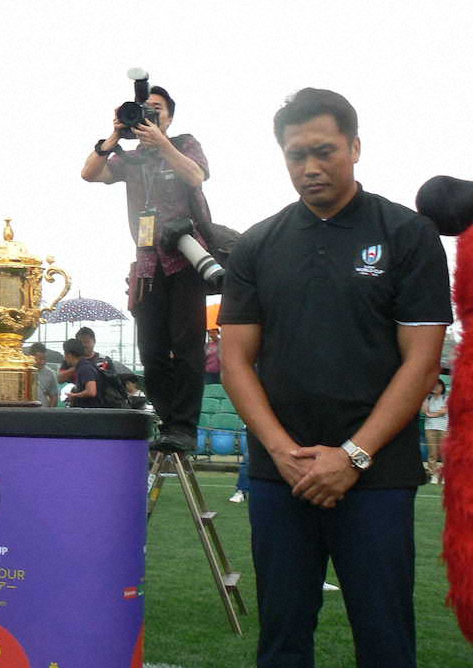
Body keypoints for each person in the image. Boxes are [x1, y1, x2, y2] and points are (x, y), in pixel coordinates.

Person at [219, 88, 452, 668]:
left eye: (324, 150)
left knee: (385, 638)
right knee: (282, 639)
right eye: (296, 154)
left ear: (355, 146)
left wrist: (352, 457)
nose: (310, 167)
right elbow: (235, 360)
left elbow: (421, 363)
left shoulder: (407, 235)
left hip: (376, 475)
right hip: (282, 476)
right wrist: (281, 452)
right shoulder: (257, 244)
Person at [82, 85, 211, 452]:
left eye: (157, 110)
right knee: (152, 350)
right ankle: (169, 424)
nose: (150, 116)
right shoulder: (131, 158)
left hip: (186, 257)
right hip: (147, 263)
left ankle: (184, 427)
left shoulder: (184, 144)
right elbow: (89, 174)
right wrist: (116, 134)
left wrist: (162, 144)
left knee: (187, 347)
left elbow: (197, 176)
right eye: (144, 111)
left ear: (169, 117)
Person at [422, 378, 449, 484]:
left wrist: (431, 414)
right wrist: (424, 398)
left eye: (438, 386)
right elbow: (424, 411)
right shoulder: (428, 398)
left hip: (443, 427)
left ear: (442, 387)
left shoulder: (446, 398)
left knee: (444, 452)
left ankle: (446, 472)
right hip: (430, 427)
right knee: (432, 452)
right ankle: (432, 472)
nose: (435, 388)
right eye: (433, 386)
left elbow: (444, 411)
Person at [63, 339, 100, 408]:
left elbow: (91, 391)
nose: (64, 358)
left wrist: (74, 395)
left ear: (69, 355)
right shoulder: (81, 367)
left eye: (65, 354)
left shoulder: (85, 368)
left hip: (90, 412)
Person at [29, 342, 58, 407]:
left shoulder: (50, 373)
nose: (43, 362)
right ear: (31, 357)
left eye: (44, 359)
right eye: (40, 359)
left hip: (42, 411)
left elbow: (54, 396)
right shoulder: (23, 372)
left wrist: (49, 413)